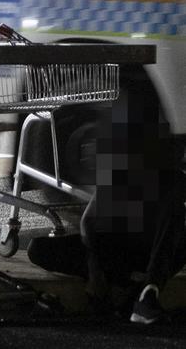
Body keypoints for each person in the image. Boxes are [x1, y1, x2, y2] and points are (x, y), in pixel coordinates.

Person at [27, 67, 186, 325]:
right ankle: (137, 292)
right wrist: (96, 270)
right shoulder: (135, 169)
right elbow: (90, 223)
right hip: (121, 254)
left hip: (131, 254)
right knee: (38, 248)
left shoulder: (157, 174)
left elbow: (92, 222)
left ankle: (141, 292)